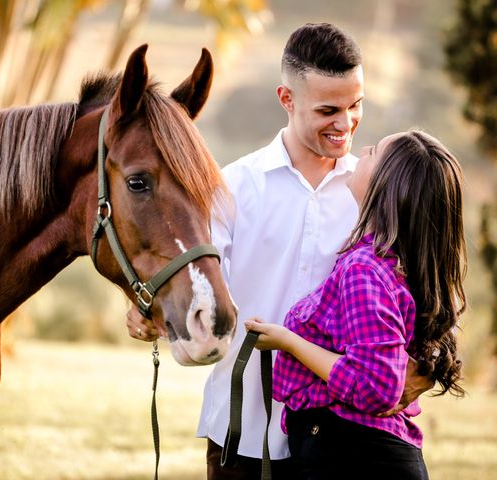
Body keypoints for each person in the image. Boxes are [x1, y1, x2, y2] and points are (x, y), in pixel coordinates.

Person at [127, 23, 431, 478]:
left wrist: (426, 365)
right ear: (286, 99)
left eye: (356, 106)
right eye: (329, 109)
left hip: (344, 444)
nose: (345, 123)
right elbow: (192, 292)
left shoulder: (376, 194)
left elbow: (423, 301)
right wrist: (149, 314)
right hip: (243, 433)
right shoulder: (229, 188)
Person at [246, 130, 466, 480]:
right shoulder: (401, 266)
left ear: (387, 185)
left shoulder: (365, 270)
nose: (363, 149)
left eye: (374, 151)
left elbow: (376, 388)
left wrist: (287, 341)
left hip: (353, 455)